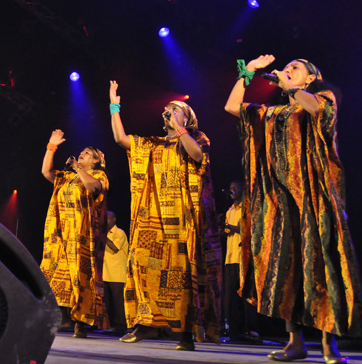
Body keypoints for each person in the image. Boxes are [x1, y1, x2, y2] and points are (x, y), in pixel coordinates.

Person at [225, 56, 362, 363]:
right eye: (285, 68)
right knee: (287, 270)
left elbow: (317, 111)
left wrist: (288, 86)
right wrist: (246, 74)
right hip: (280, 203)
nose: (287, 70)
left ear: (311, 78)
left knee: (322, 264)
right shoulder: (272, 112)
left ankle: (329, 345)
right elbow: (233, 107)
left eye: (295, 68)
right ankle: (295, 342)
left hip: (315, 199)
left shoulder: (321, 99)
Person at [109, 81, 221, 350]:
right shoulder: (153, 144)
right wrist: (114, 104)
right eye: (166, 109)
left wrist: (181, 130)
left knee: (183, 274)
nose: (167, 112)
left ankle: (186, 335)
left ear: (187, 117)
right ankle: (145, 323)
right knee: (142, 265)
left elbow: (196, 156)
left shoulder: (198, 138)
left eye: (174, 108)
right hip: (153, 221)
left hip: (183, 220)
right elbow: (121, 140)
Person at [40, 129, 109, 339]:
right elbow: (46, 172)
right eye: (81, 152)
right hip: (60, 233)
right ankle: (63, 317)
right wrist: (51, 147)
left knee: (80, 276)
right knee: (57, 274)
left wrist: (78, 168)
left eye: (88, 153)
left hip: (82, 235)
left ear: (96, 161)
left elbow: (93, 188)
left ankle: (81, 321)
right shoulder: (66, 177)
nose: (82, 154)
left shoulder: (98, 175)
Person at [221, 180, 259, 343]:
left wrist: (232, 228)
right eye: (231, 189)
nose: (233, 191)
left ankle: (251, 331)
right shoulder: (230, 210)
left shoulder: (246, 208)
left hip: (243, 257)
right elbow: (229, 231)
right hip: (230, 258)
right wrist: (224, 230)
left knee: (246, 296)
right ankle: (235, 331)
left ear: (243, 191)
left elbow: (250, 230)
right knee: (231, 297)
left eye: (236, 188)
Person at [103, 210, 129, 334]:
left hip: (117, 273)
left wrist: (103, 236)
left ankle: (121, 326)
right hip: (104, 273)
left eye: (107, 218)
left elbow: (114, 248)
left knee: (118, 303)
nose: (105, 221)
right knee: (106, 302)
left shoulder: (119, 233)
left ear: (114, 220)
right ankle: (108, 325)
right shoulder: (103, 234)